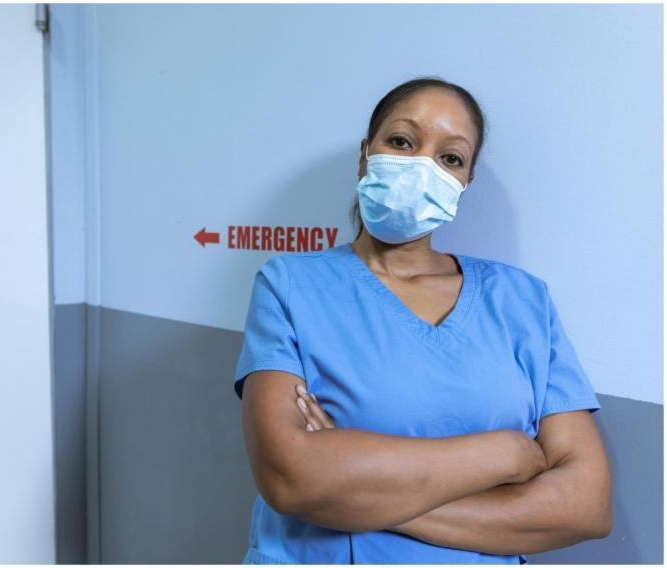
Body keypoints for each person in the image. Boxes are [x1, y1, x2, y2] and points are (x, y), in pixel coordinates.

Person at [233, 76, 612, 564]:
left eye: (450, 157)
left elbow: (586, 506)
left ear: (464, 182)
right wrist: (505, 454)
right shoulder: (290, 284)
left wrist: (357, 494)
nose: (420, 166)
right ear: (366, 155)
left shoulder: (521, 299)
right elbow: (289, 478)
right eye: (402, 142)